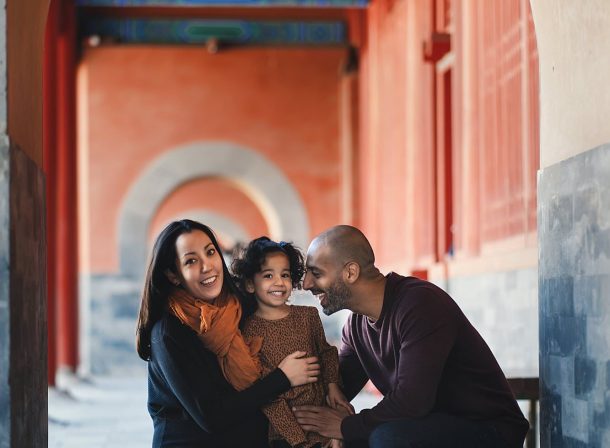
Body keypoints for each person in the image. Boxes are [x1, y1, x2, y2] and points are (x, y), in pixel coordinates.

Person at [293, 225, 530, 448]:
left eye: (316, 273)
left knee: (388, 439)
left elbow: (412, 402)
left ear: (351, 272)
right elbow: (337, 386)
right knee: (344, 437)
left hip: (490, 430)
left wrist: (345, 426)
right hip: (428, 427)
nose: (306, 284)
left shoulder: (419, 304)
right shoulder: (356, 326)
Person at [135, 220, 321, 448]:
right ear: (173, 275)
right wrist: (282, 378)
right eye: (191, 261)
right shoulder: (168, 333)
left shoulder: (238, 305)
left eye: (210, 252)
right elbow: (211, 417)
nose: (207, 266)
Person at [232, 236, 353, 448]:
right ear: (250, 284)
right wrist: (299, 441)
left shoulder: (308, 316)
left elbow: (326, 353)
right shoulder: (248, 332)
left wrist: (333, 387)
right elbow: (268, 397)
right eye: (268, 275)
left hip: (323, 416)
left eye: (285, 275)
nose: (279, 282)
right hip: (285, 432)